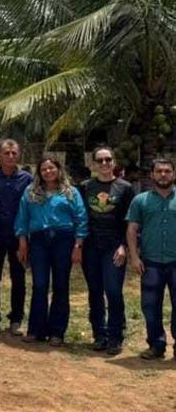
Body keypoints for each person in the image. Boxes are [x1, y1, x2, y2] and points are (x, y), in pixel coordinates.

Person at [15, 157, 87, 347]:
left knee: (61, 285)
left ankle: (57, 332)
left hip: (64, 240)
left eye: (51, 168)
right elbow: (22, 218)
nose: (48, 172)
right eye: (44, 169)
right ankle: (35, 330)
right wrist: (23, 243)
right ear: (39, 172)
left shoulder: (71, 193)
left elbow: (81, 218)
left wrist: (78, 246)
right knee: (39, 285)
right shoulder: (30, 192)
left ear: (59, 169)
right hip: (38, 240)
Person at [79, 146, 134, 355]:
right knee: (94, 292)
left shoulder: (125, 188)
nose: (104, 164)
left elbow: (130, 221)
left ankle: (115, 336)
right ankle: (99, 335)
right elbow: (80, 216)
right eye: (99, 160)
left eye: (108, 159)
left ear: (114, 161)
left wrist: (124, 246)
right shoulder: (85, 187)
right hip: (91, 247)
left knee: (113, 291)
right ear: (93, 163)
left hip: (114, 246)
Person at [127, 158, 176, 360]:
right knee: (150, 306)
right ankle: (156, 345)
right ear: (152, 175)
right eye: (159, 171)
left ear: (173, 174)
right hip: (151, 262)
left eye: (167, 171)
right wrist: (134, 257)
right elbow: (132, 229)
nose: (163, 174)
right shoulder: (141, 200)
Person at [0, 139, 32, 336]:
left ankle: (16, 319)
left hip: (18, 236)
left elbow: (30, 207)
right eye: (6, 153)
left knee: (18, 278)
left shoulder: (27, 179)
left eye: (14, 153)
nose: (11, 156)